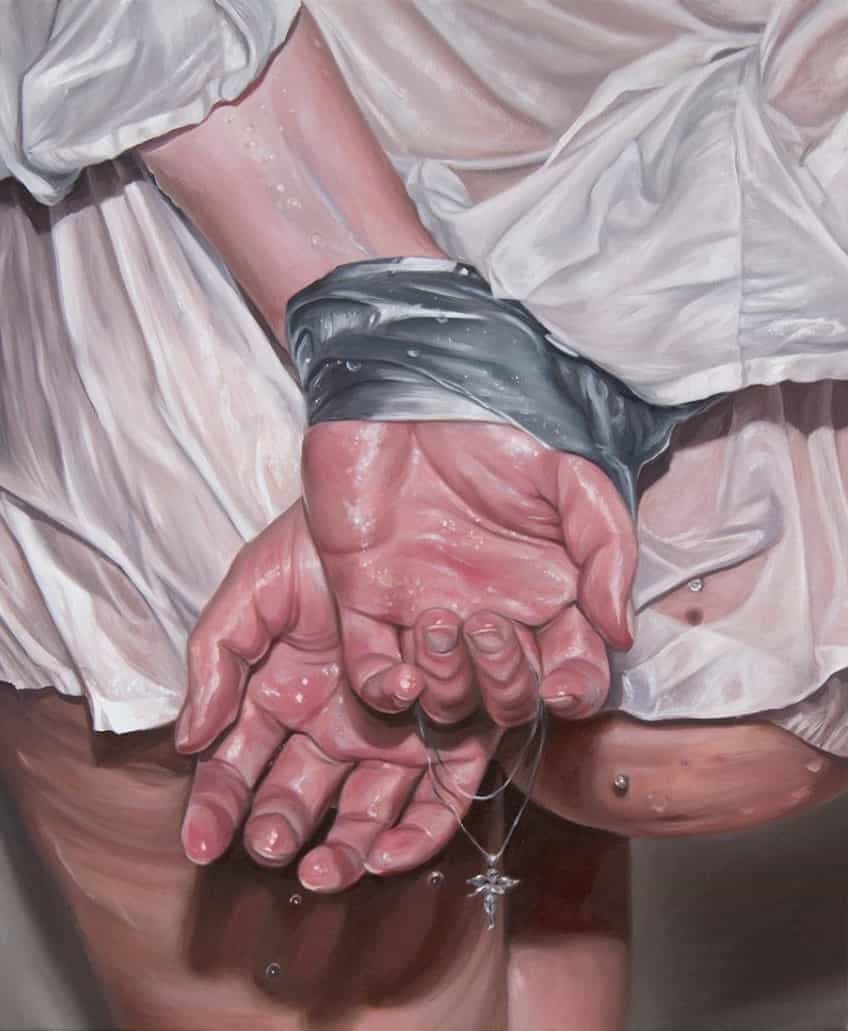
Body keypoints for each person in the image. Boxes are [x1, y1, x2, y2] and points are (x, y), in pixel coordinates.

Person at [3, 2, 848, 1028]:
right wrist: (521, 365)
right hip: (652, 223)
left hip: (250, 305)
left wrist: (417, 338)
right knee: (519, 861)